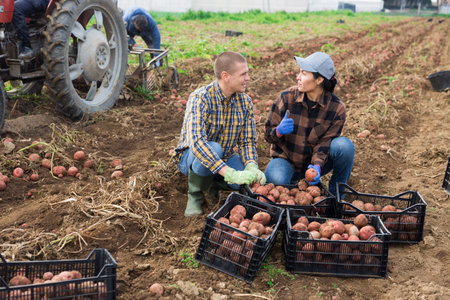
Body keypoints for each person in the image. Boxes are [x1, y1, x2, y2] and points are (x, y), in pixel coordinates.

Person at [173, 51, 266, 217]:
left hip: (226, 156)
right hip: (192, 158)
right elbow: (198, 144)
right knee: (214, 148)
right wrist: (229, 173)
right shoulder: (200, 98)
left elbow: (247, 141)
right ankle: (195, 196)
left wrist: (251, 165)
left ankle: (213, 184)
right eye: (243, 74)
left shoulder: (245, 102)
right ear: (226, 76)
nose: (248, 78)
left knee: (247, 183)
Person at [264, 52, 354, 196]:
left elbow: (325, 142)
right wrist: (278, 131)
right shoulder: (286, 97)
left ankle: (336, 197)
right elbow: (268, 134)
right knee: (276, 180)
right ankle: (296, 184)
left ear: (319, 80)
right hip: (286, 160)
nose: (298, 77)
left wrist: (317, 166)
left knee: (345, 147)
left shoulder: (336, 108)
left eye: (304, 74)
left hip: (313, 164)